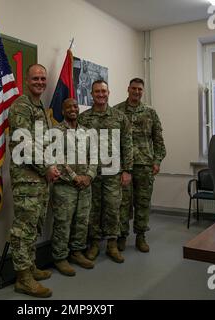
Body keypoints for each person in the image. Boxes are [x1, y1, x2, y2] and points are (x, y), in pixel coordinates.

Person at [8, 64, 60, 298]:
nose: (40, 82)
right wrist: (46, 167)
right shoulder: (21, 105)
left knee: (34, 226)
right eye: (35, 78)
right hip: (27, 178)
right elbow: (23, 145)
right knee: (24, 228)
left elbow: (42, 144)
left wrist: (52, 166)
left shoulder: (39, 106)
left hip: (39, 179)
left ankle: (30, 267)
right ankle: (23, 279)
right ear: (26, 81)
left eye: (43, 78)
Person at [78, 80, 133, 264]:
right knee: (93, 209)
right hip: (91, 173)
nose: (100, 94)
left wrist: (127, 170)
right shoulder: (83, 118)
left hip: (113, 172)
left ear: (108, 92)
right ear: (91, 94)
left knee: (112, 207)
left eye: (103, 91)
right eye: (97, 92)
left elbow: (127, 145)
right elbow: (78, 147)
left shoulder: (119, 117)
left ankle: (112, 244)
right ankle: (94, 243)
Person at [114, 78, 166, 252]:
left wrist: (157, 161)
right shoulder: (117, 111)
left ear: (142, 91)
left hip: (145, 166)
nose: (136, 92)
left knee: (143, 203)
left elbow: (158, 141)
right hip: (123, 167)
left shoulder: (150, 113)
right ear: (128, 89)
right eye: (134, 88)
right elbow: (112, 142)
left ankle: (141, 236)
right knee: (123, 203)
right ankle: (121, 235)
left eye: (140, 89)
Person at [51, 98, 96, 276]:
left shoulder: (87, 132)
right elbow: (55, 159)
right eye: (68, 106)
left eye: (75, 106)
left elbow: (94, 157)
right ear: (62, 111)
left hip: (85, 185)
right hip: (64, 186)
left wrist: (89, 176)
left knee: (82, 221)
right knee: (63, 223)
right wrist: (74, 176)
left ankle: (77, 252)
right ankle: (60, 257)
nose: (73, 109)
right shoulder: (55, 131)